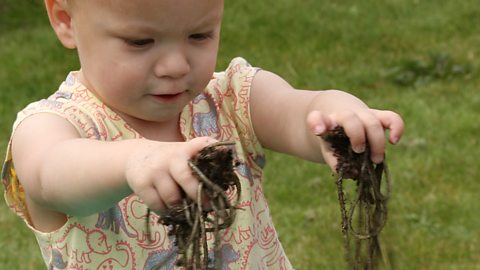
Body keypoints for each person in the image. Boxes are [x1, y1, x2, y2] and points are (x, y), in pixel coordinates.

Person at [1, 0, 404, 269]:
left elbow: (298, 109)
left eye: (200, 35)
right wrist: (132, 161)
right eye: (140, 42)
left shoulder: (226, 97)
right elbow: (49, 173)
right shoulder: (54, 125)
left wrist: (335, 116)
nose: (176, 65)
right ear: (65, 19)